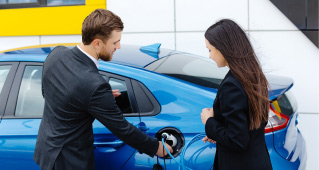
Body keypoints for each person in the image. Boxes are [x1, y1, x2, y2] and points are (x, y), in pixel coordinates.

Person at [34, 9, 172, 170]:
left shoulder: (56, 54)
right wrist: (156, 147)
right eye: (115, 42)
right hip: (71, 161)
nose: (119, 46)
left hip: (47, 153)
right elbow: (122, 128)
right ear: (97, 43)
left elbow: (49, 93)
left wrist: (93, 100)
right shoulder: (94, 85)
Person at [200, 19, 273, 170]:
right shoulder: (253, 75)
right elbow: (247, 126)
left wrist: (209, 122)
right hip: (258, 161)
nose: (209, 56)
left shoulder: (231, 85)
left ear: (223, 48)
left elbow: (237, 141)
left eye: (210, 50)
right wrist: (217, 131)